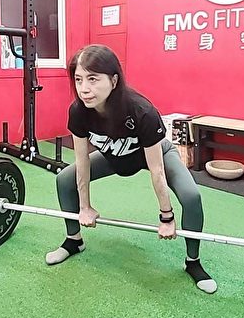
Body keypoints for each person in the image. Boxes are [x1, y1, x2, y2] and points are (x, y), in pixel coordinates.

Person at [45, 44, 217, 294]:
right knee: (64, 179)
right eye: (79, 79)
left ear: (113, 80)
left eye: (93, 79)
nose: (84, 89)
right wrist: (84, 206)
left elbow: (157, 170)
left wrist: (166, 217)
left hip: (152, 155)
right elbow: (82, 161)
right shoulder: (78, 111)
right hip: (114, 157)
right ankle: (74, 240)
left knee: (191, 196)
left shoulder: (141, 111)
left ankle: (193, 262)